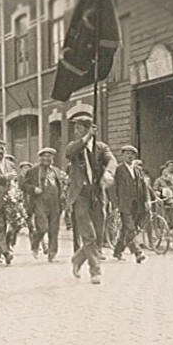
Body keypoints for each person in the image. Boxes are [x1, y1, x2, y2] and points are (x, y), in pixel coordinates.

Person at [66, 115, 117, 284]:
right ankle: (95, 271)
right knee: (88, 234)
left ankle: (77, 259)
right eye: (75, 128)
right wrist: (87, 137)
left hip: (97, 193)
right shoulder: (75, 147)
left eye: (79, 128)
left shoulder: (101, 148)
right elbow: (69, 153)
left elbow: (112, 160)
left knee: (98, 233)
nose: (76, 131)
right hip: (80, 194)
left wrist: (108, 173)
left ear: (87, 128)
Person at [23, 148, 63, 262]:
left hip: (54, 202)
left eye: (49, 156)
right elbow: (24, 185)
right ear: (40, 158)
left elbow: (60, 186)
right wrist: (33, 189)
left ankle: (52, 253)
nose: (46, 159)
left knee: (54, 229)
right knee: (43, 227)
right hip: (40, 201)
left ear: (52, 159)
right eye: (44, 156)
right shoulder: (33, 170)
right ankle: (35, 244)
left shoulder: (56, 170)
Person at [113, 145, 150, 263]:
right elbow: (113, 188)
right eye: (127, 154)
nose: (130, 156)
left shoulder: (138, 170)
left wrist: (147, 200)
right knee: (130, 228)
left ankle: (118, 251)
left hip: (137, 204)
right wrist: (115, 204)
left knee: (126, 229)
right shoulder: (119, 169)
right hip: (124, 203)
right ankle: (138, 252)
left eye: (132, 154)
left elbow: (144, 187)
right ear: (122, 155)